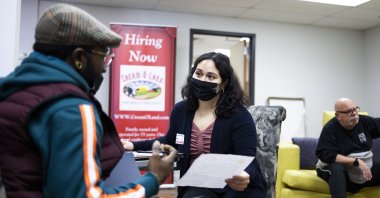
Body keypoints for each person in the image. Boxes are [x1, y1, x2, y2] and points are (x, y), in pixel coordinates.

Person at [0, 3, 177, 198]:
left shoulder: (11, 92)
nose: (104, 67)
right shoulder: (74, 108)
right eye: (104, 56)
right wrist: (152, 179)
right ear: (79, 57)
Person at [124, 52, 267, 197]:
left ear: (223, 83)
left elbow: (247, 158)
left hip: (235, 186)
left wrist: (244, 175)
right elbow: (168, 141)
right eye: (198, 74)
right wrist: (133, 145)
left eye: (211, 76)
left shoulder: (238, 115)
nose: (203, 80)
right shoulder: (181, 110)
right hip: (201, 184)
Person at [316, 98, 380, 198]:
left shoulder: (365, 122)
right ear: (338, 116)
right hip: (342, 173)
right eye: (348, 111)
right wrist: (356, 161)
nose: (354, 113)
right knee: (336, 168)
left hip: (363, 173)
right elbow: (325, 154)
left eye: (355, 109)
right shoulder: (330, 128)